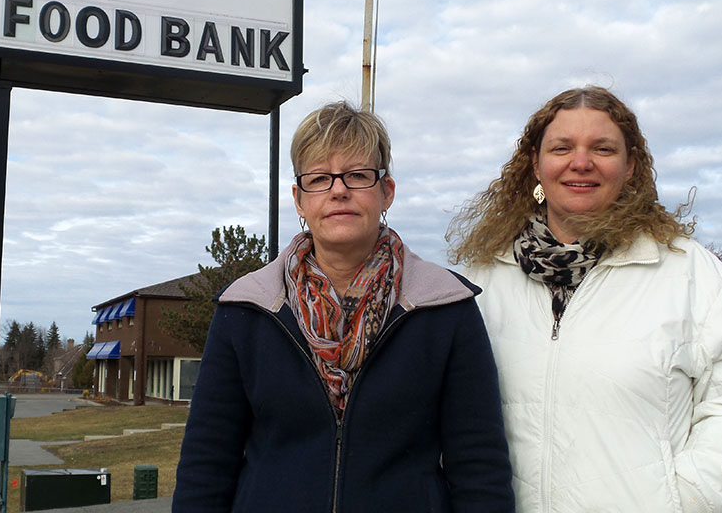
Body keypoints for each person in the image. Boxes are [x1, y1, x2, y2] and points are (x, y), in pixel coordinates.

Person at [173, 101, 515, 512]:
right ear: (300, 201)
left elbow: (479, 467)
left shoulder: (445, 305)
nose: (339, 190)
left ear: (386, 192)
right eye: (319, 178)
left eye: (357, 175)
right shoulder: (245, 309)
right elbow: (206, 465)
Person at [447, 86, 722, 512]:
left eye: (602, 148)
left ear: (630, 165)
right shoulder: (482, 279)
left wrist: (688, 499)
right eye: (562, 147)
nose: (580, 162)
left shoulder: (687, 271)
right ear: (536, 164)